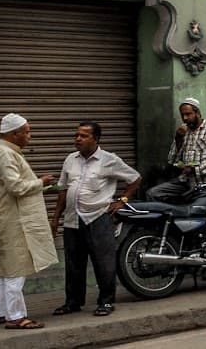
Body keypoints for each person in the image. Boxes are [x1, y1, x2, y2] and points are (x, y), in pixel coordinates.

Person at [51, 121, 139, 318]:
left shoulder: (109, 160)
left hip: (98, 217)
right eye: (77, 135)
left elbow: (134, 178)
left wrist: (122, 201)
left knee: (103, 262)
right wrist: (56, 217)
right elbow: (63, 189)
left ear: (96, 139)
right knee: (73, 263)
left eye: (83, 136)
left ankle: (106, 301)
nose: (78, 139)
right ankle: (73, 302)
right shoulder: (70, 159)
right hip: (73, 219)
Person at [0, 113, 58, 331]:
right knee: (16, 267)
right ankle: (16, 317)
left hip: (6, 217)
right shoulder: (5, 153)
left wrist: (42, 185)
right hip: (13, 219)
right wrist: (40, 182)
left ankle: (1, 312)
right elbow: (16, 187)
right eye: (26, 132)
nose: (29, 136)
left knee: (5, 267)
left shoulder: (3, 150)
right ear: (14, 133)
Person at [154, 97, 206, 200]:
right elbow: (172, 161)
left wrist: (196, 170)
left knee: (196, 206)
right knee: (153, 193)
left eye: (188, 114)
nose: (185, 118)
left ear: (197, 113)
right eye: (182, 115)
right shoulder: (184, 132)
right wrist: (178, 139)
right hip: (185, 182)